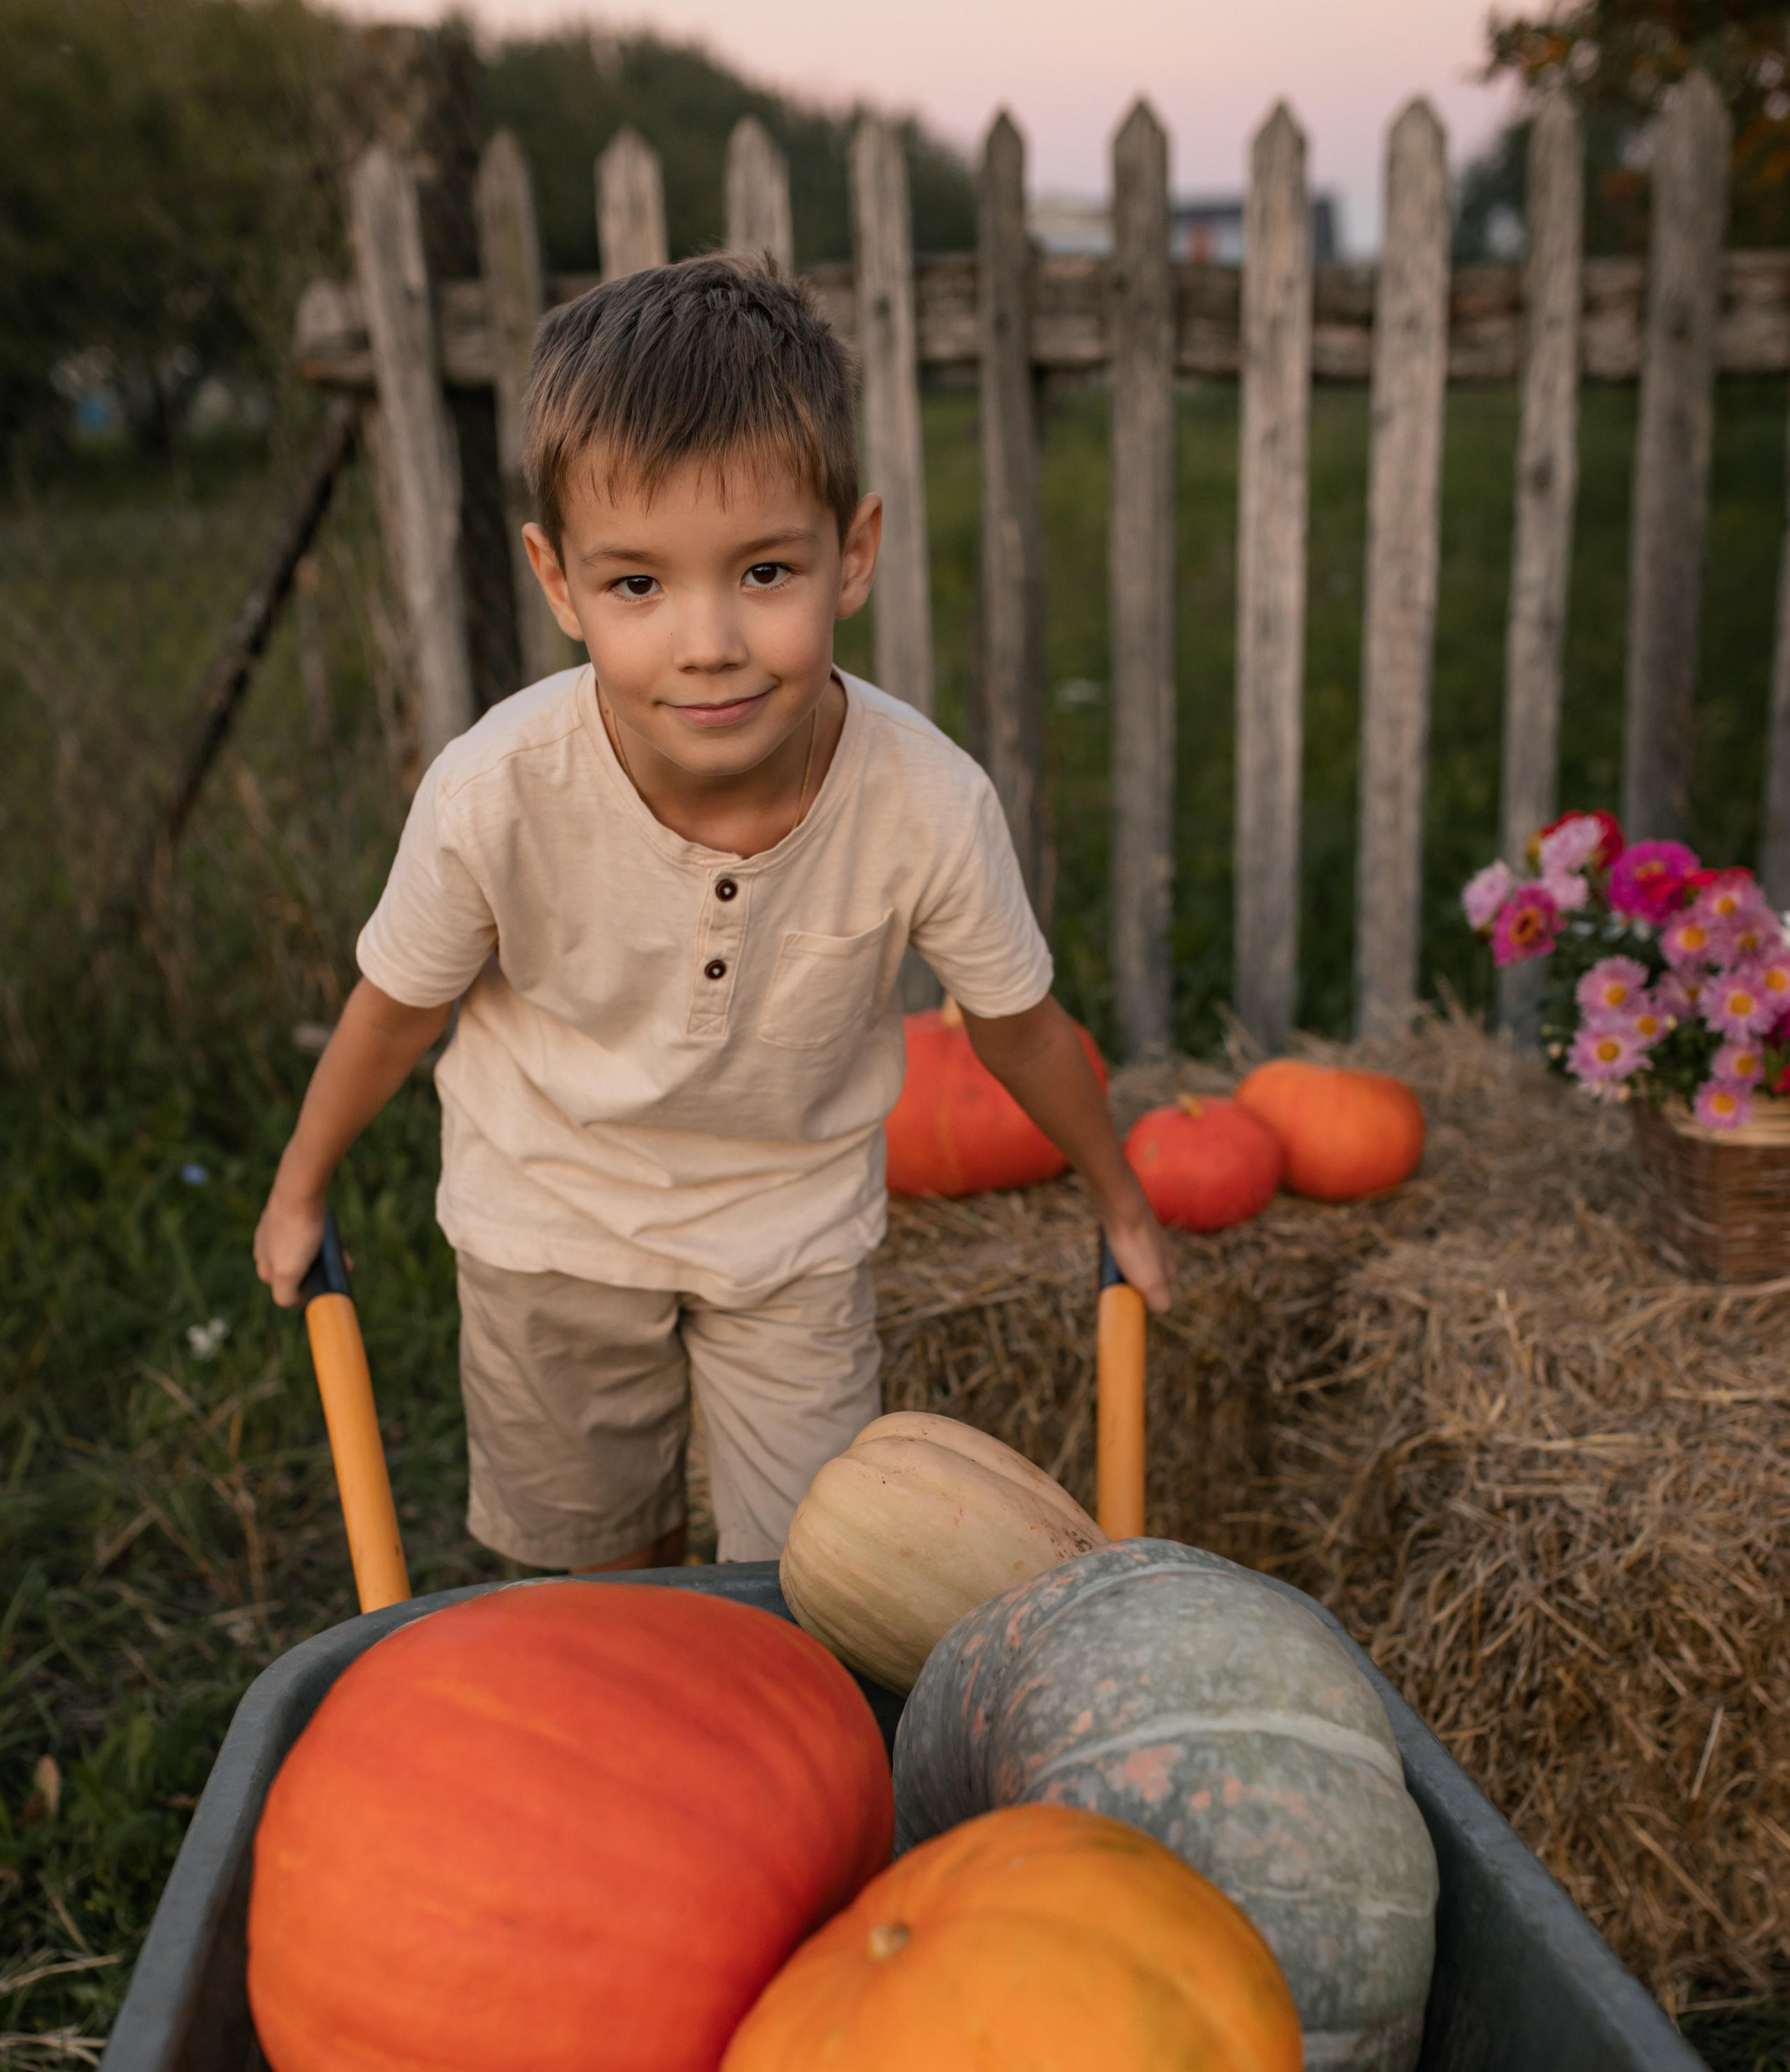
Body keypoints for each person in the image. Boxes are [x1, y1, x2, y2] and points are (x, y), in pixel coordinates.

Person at [254, 257, 1174, 1571]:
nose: (707, 642)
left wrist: (1119, 1193)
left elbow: (1017, 1029)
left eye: (761, 572)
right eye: (638, 586)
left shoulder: (926, 802)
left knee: (814, 1580)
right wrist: (300, 1187)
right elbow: (399, 1011)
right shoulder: (496, 794)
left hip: (789, 1234)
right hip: (552, 1216)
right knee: (593, 1578)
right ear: (559, 583)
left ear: (848, 555)